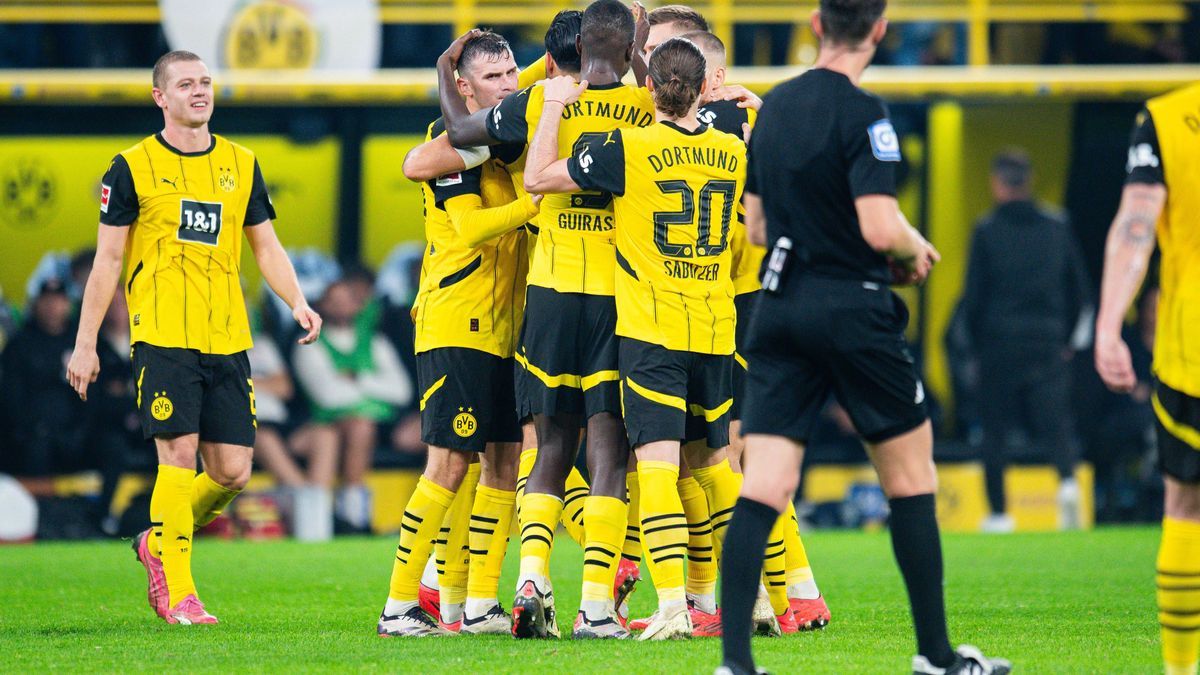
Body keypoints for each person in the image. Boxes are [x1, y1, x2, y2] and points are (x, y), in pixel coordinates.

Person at [714, 2, 1009, 674]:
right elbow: (879, 228)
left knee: (765, 483)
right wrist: (914, 248)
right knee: (910, 476)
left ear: (816, 24)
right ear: (879, 30)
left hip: (780, 304)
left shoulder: (774, 109)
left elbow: (756, 227)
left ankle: (736, 663)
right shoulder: (866, 113)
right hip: (852, 305)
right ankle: (935, 654)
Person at [65, 50, 322, 626]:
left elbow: (266, 247)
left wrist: (298, 302)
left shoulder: (241, 162)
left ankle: (157, 542)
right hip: (161, 335)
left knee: (232, 472)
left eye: (205, 82)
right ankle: (179, 593)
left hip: (228, 336)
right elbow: (107, 261)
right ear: (161, 97)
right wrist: (85, 343)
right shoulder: (131, 167)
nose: (199, 91)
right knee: (177, 460)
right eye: (185, 84)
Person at [435, 0, 656, 641]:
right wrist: (639, 55)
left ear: (576, 44)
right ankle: (594, 608)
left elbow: (460, 130)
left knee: (550, 447)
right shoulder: (647, 112)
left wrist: (445, 69)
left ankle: (532, 577)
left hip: (551, 297)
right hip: (617, 298)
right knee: (609, 450)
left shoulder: (539, 103)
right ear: (627, 46)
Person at [525, 36, 746, 640]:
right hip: (715, 326)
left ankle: (674, 604)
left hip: (653, 329)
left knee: (657, 470)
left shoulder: (631, 145)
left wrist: (550, 108)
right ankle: (751, 598)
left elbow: (539, 178)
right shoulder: (732, 149)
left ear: (648, 89)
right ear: (703, 88)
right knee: (715, 466)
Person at [376, 31, 539, 638]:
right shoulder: (448, 145)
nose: (506, 85)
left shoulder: (511, 138)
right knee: (448, 463)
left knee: (501, 462)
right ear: (463, 88)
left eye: (510, 74)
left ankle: (476, 605)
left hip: (505, 329)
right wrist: (537, 201)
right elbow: (471, 230)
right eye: (492, 77)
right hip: (455, 321)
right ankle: (398, 605)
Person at [1094, 82, 1200, 675]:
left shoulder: (1168, 118)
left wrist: (1110, 324)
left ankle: (1180, 671)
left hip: (1192, 348)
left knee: (1186, 508)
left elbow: (1136, 226)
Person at [960, 149, 1091, 532]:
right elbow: (1081, 291)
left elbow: (973, 297)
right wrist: (1066, 340)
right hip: (1047, 339)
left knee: (995, 429)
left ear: (997, 183)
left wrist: (973, 345)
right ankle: (1067, 483)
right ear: (1028, 181)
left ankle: (1000, 513)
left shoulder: (986, 230)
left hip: (998, 341)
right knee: (1056, 423)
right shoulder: (1057, 225)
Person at [292, 277, 411, 532]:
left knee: (361, 425)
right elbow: (327, 396)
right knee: (353, 428)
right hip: (318, 424)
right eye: (333, 301)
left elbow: (401, 391)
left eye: (347, 300)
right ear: (320, 306)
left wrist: (356, 378)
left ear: (358, 306)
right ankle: (347, 515)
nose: (341, 307)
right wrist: (373, 390)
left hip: (379, 425)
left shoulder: (376, 342)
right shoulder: (309, 343)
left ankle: (351, 513)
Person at [0, 279, 88, 477]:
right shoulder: (20, 344)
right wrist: (32, 429)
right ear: (36, 304)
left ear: (67, 304)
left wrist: (78, 431)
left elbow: (93, 395)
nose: (52, 307)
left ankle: (100, 508)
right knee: (35, 449)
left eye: (58, 300)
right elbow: (11, 397)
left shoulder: (81, 343)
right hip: (32, 435)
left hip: (73, 432)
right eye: (47, 301)